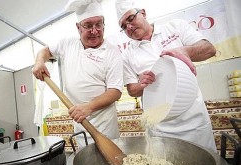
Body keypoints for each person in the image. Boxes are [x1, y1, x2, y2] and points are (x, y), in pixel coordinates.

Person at [115, 0, 217, 152]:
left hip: (194, 121)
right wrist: (141, 84)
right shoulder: (127, 55)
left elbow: (209, 49)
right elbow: (132, 90)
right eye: (123, 26)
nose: (129, 27)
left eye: (131, 19)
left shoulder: (175, 27)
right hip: (161, 127)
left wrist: (186, 51)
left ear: (143, 13)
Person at [33, 0, 123, 149]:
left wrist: (89, 107)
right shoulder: (67, 44)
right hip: (81, 129)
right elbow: (45, 51)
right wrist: (39, 61)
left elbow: (115, 92)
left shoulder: (112, 52)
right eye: (88, 25)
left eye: (99, 24)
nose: (94, 31)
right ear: (78, 27)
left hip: (106, 129)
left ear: (104, 24)